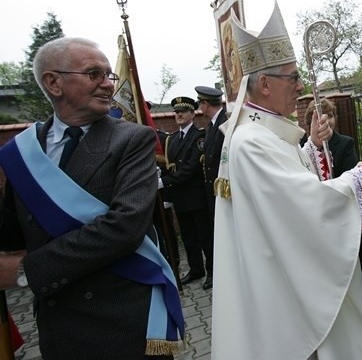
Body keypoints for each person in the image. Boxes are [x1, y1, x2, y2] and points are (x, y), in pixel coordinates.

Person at [212, 1, 362, 359]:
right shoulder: (251, 140)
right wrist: (358, 179)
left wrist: (312, 148)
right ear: (265, 84)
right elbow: (301, 205)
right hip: (278, 282)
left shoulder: (260, 132)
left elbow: (289, 180)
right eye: (293, 77)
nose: (300, 85)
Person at [0, 37, 183, 359]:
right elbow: (12, 233)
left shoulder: (132, 139)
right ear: (53, 82)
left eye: (109, 75)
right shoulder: (20, 154)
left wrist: (27, 270)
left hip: (121, 318)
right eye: (94, 74)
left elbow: (124, 227)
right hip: (61, 324)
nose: (107, 85)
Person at [304, 98, 362, 274]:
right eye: (322, 117)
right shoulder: (304, 148)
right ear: (311, 122)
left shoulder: (346, 144)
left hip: (345, 219)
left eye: (330, 115)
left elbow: (351, 179)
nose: (327, 120)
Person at [159, 96, 214, 290]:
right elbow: (169, 166)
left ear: (192, 114)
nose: (179, 115)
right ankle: (196, 269)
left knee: (204, 237)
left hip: (196, 197)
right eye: (176, 112)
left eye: (183, 111)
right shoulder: (171, 139)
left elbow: (191, 168)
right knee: (189, 238)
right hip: (180, 198)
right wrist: (166, 191)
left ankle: (212, 270)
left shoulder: (199, 136)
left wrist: (164, 182)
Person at [194, 85, 226, 220]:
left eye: (200, 104)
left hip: (223, 188)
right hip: (214, 188)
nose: (200, 109)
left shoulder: (224, 122)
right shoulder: (212, 125)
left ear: (206, 104)